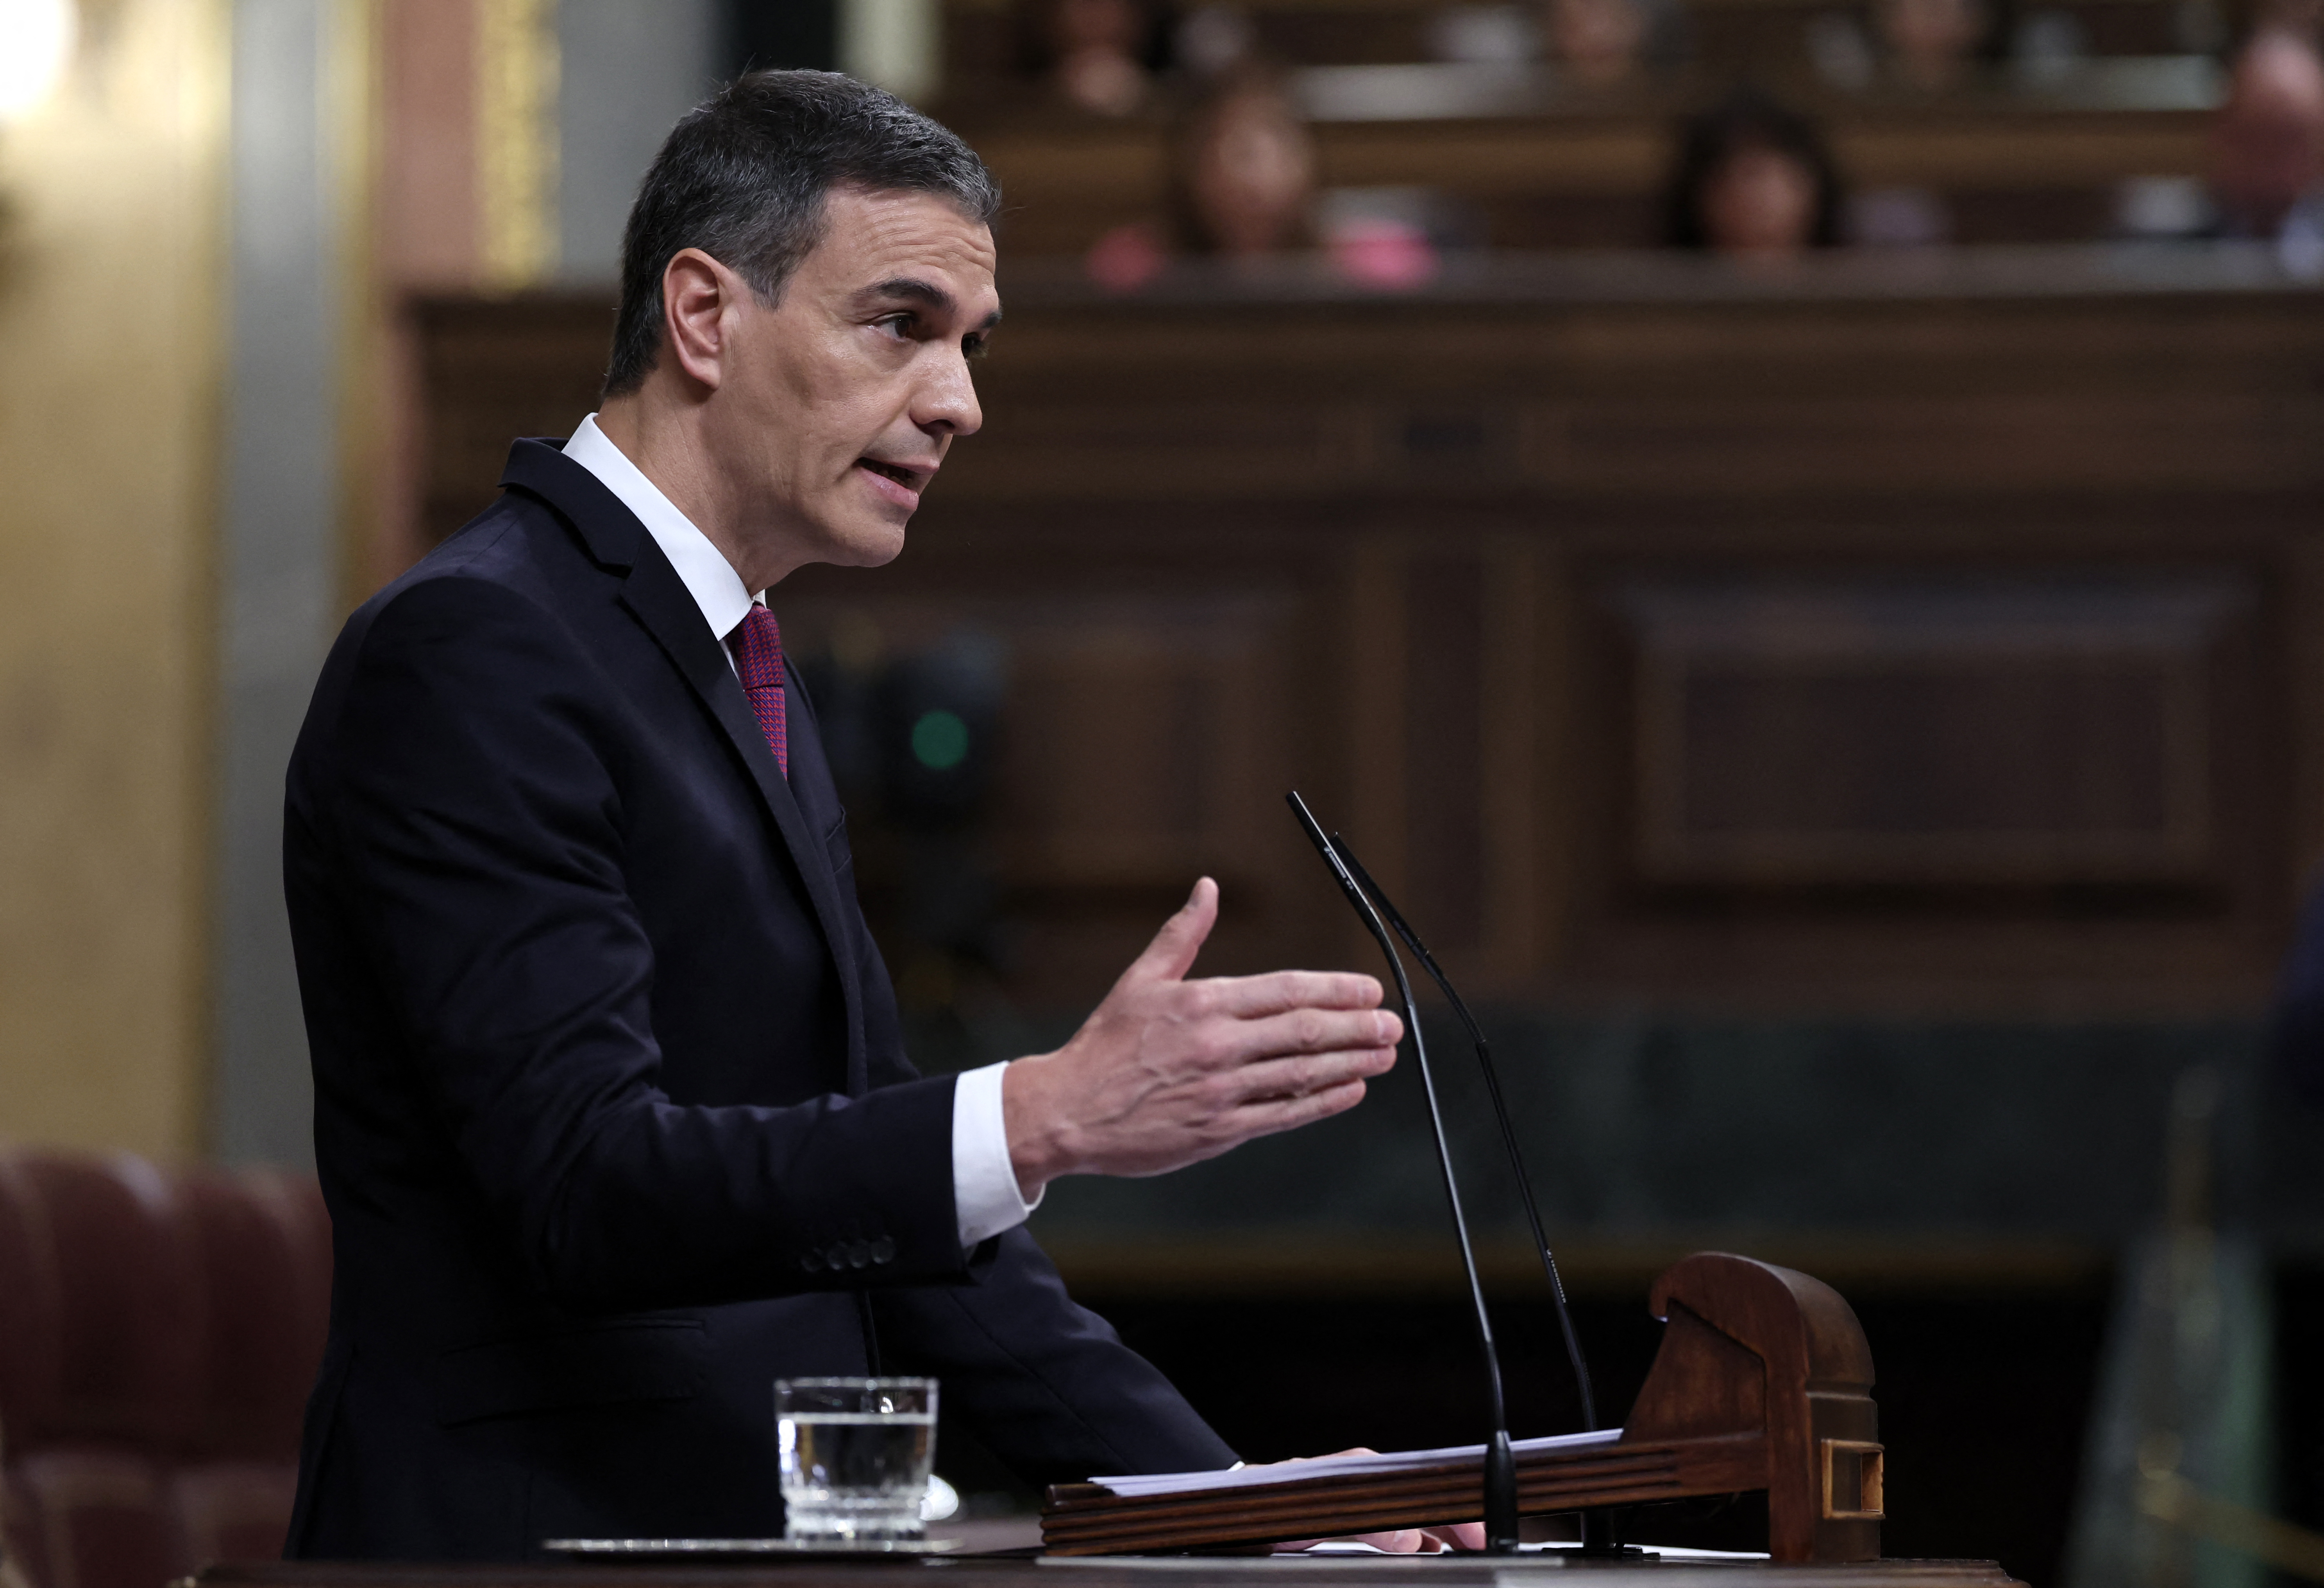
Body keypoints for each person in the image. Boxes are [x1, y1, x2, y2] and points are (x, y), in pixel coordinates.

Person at [282, 71, 1444, 1558]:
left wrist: (1235, 1511)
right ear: (705, 316)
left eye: (969, 345)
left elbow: (919, 1250)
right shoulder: (477, 648)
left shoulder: (735, 669)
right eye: (902, 326)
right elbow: (581, 1183)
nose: (962, 402)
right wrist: (1038, 1115)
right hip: (525, 1552)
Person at [1663, 91, 1845, 256]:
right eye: (1725, 178)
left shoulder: (1853, 276)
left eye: (1759, 174)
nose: (1749, 197)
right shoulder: (1662, 283)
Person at [2210, 26, 2324, 244]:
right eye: (2252, 140)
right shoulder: (2164, 250)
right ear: (2221, 138)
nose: (2267, 169)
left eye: (2287, 143)